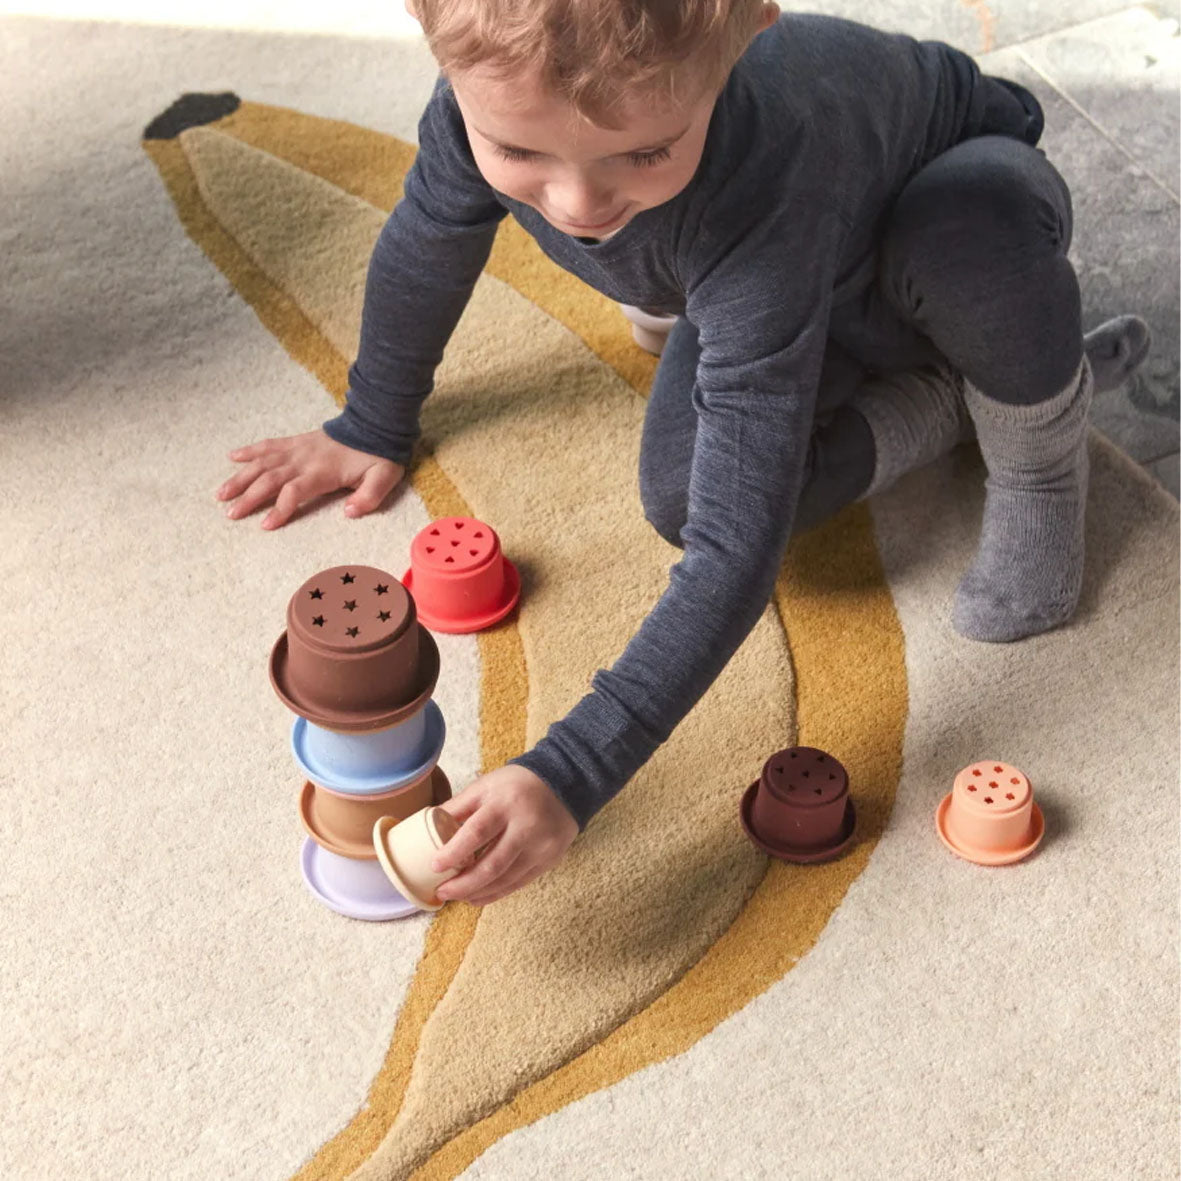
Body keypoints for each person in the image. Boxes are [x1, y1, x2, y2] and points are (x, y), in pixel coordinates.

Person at [216, 2, 1151, 905]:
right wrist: (371, 422)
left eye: (643, 152)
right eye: (521, 153)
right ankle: (948, 396)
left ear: (747, 33)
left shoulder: (764, 176)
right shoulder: (477, 112)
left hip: (945, 203)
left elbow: (735, 555)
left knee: (967, 238)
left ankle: (1034, 442)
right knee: (681, 494)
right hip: (788, 285)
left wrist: (571, 770)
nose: (578, 202)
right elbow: (427, 244)